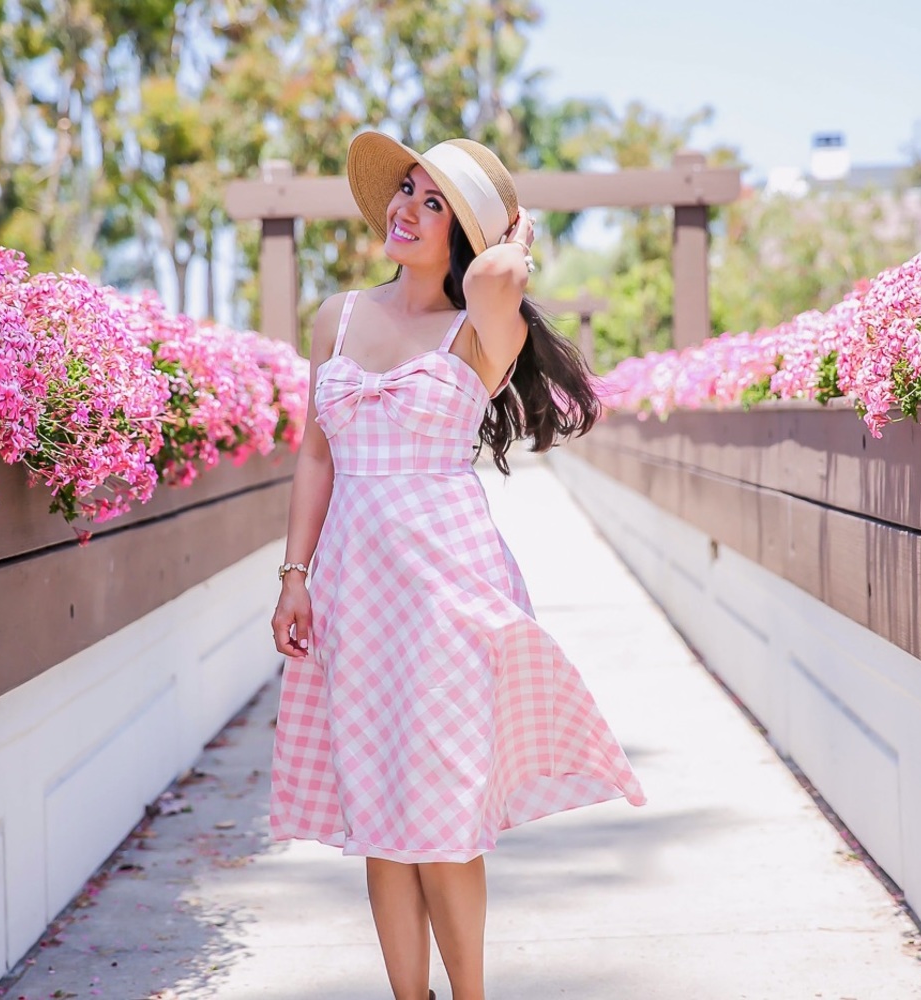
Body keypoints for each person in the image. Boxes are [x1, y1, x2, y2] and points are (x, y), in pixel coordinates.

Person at [270, 132, 645, 1000]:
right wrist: (294, 576)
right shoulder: (337, 317)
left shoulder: (480, 328)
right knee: (379, 819)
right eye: (406, 189)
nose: (406, 208)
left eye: (434, 202)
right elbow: (316, 457)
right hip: (354, 590)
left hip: (448, 589)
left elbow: (499, 279)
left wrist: (511, 238)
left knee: (441, 816)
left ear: (469, 234)